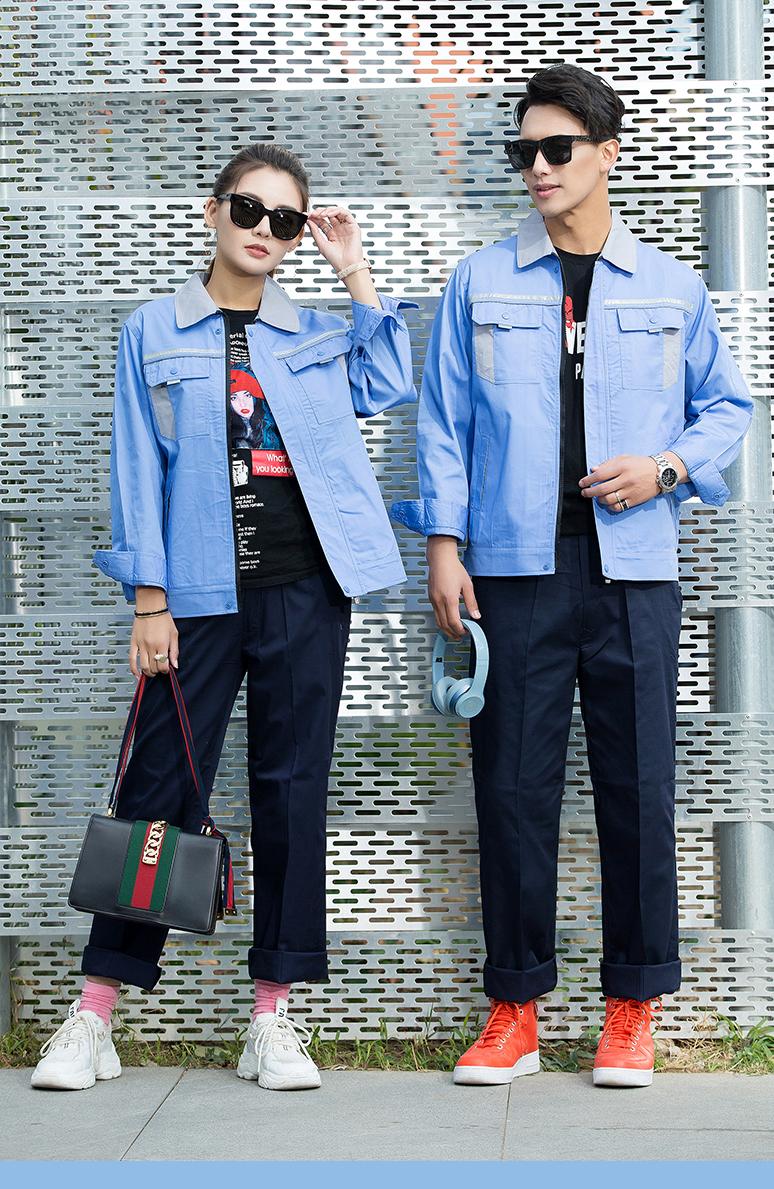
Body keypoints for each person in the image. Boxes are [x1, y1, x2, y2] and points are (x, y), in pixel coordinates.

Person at [391, 64, 752, 1089]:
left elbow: (728, 406)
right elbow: (443, 424)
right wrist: (443, 546)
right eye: (524, 152)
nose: (538, 168)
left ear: (607, 153)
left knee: (639, 787)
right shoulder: (480, 280)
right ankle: (514, 1011)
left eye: (557, 148)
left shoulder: (672, 287)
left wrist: (666, 466)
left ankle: (632, 1008)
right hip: (513, 571)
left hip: (634, 572)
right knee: (511, 788)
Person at [32, 142, 417, 1092]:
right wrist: (149, 599)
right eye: (249, 209)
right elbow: (135, 466)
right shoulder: (153, 329)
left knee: (291, 791)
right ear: (213, 211)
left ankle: (272, 1015)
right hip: (195, 595)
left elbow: (386, 382)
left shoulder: (314, 332)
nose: (264, 231)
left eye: (285, 220)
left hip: (306, 591)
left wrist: (354, 271)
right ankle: (96, 1011)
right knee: (157, 788)